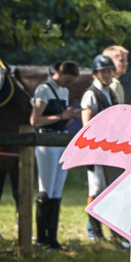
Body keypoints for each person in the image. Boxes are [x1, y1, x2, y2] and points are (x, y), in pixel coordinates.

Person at [28, 61, 82, 249]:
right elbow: (35, 120)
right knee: (46, 189)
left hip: (60, 142)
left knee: (57, 190)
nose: (68, 84)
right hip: (46, 143)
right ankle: (41, 238)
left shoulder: (64, 91)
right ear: (59, 72)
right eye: (67, 80)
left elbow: (60, 120)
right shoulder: (44, 90)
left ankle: (52, 238)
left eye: (71, 82)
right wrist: (61, 116)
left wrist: (69, 117)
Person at [81, 54, 120, 242]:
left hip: (110, 149)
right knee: (96, 189)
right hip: (96, 149)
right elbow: (86, 125)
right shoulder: (91, 94)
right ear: (96, 74)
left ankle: (112, 232)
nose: (107, 75)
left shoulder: (110, 92)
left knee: (109, 189)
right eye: (103, 72)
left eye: (110, 71)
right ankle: (94, 233)